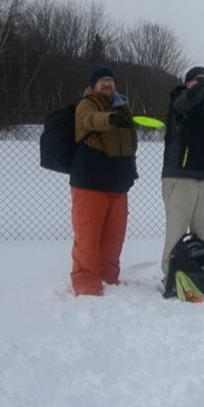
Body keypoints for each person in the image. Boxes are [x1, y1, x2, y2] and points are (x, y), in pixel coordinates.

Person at [69, 65, 138, 296]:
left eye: (110, 80)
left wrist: (130, 169)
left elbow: (131, 142)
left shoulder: (122, 105)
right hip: (90, 182)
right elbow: (90, 121)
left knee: (114, 236)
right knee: (88, 236)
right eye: (103, 81)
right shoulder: (87, 103)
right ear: (94, 85)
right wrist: (111, 119)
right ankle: (85, 283)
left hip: (117, 182)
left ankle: (109, 278)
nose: (107, 84)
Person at [160, 66, 204, 280]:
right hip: (179, 176)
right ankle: (170, 274)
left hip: (202, 178)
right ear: (188, 82)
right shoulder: (179, 101)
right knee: (177, 231)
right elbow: (186, 102)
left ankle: (198, 269)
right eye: (199, 80)